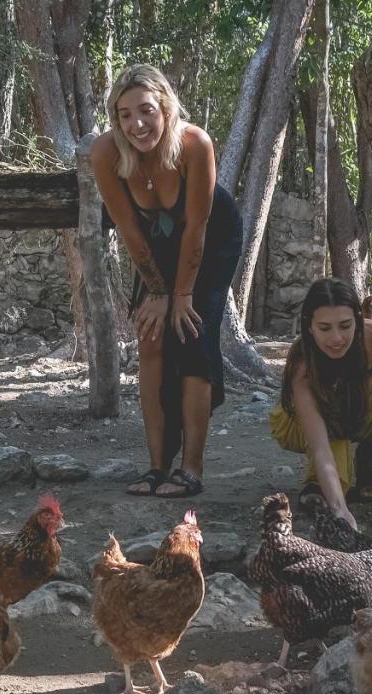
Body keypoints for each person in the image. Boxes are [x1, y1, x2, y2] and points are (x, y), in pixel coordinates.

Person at [93, 64, 243, 498]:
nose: (136, 124)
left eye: (146, 111)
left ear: (166, 107)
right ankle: (156, 466)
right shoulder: (106, 153)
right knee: (152, 338)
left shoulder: (195, 144)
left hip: (211, 240)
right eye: (124, 115)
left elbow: (196, 227)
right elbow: (129, 229)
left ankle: (190, 469)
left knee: (191, 330)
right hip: (154, 247)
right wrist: (158, 292)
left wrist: (180, 295)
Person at [269, 278, 372, 530]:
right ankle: (321, 486)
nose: (336, 338)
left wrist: (355, 400)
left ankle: (364, 462)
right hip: (298, 423)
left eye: (345, 325)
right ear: (309, 327)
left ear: (357, 319)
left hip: (351, 405)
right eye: (324, 328)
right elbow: (320, 445)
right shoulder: (301, 367)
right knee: (331, 420)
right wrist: (340, 509)